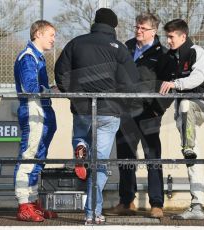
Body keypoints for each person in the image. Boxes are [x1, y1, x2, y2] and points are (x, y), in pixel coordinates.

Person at [55, 8, 140, 225]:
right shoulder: (119, 48)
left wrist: (72, 96)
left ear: (95, 22)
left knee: (81, 135)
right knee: (100, 164)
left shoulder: (76, 42)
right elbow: (131, 82)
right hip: (109, 112)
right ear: (114, 26)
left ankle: (81, 146)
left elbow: (61, 74)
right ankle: (92, 213)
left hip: (82, 109)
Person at [110, 13, 175, 218]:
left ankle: (156, 203)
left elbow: (169, 86)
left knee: (152, 157)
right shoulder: (125, 48)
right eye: (137, 27)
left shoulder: (163, 54)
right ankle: (127, 201)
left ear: (154, 31)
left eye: (143, 28)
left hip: (148, 113)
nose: (138, 31)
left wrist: (158, 109)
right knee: (125, 158)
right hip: (125, 112)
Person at [159, 19, 204, 220]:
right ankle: (197, 205)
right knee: (193, 158)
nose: (168, 40)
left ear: (183, 36)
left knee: (185, 106)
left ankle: (188, 145)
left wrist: (175, 83)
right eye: (166, 36)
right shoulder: (170, 57)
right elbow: (161, 83)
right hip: (184, 115)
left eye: (171, 36)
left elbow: (198, 78)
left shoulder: (195, 51)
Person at [13, 20, 58, 222]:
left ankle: (32, 202)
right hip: (33, 110)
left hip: (42, 110)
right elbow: (30, 87)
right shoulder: (28, 57)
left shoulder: (37, 57)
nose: (53, 39)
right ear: (38, 34)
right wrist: (49, 90)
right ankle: (23, 204)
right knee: (29, 155)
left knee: (38, 158)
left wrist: (51, 90)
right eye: (51, 35)